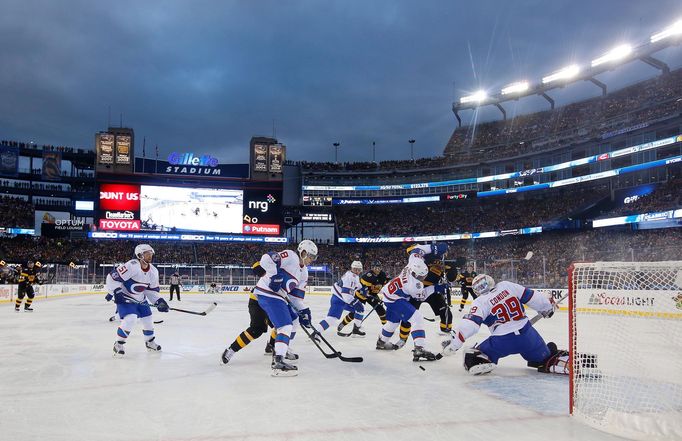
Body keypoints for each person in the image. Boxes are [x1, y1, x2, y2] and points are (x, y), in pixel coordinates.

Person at [442, 274, 568, 375]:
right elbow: (532, 298)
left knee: (471, 356)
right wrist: (546, 305)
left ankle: (481, 362)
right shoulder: (507, 286)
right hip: (528, 335)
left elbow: (471, 324)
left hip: (502, 341)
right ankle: (556, 361)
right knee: (544, 357)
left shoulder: (479, 302)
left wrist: (455, 343)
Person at [244, 240, 317, 376]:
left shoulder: (304, 273)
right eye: (311, 256)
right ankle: (278, 362)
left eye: (314, 258)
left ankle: (285, 348)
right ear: (303, 252)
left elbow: (295, 299)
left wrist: (304, 311)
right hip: (266, 291)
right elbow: (266, 259)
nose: (312, 260)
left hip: (278, 296)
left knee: (294, 320)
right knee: (285, 326)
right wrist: (274, 276)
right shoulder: (290, 256)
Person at [105, 244, 169, 357]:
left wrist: (159, 301)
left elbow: (151, 291)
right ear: (140, 255)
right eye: (147, 253)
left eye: (151, 253)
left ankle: (149, 342)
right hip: (125, 297)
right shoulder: (132, 265)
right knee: (131, 319)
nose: (150, 255)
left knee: (148, 319)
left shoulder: (153, 271)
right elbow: (112, 277)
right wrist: (115, 292)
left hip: (140, 298)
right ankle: (118, 344)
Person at [221, 261, 287, 365]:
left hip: (273, 301)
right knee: (256, 330)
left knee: (281, 325)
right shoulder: (275, 265)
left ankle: (271, 346)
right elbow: (256, 266)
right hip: (258, 300)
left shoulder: (291, 273)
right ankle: (231, 350)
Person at [376, 257, 439, 361]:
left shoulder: (409, 266)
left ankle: (381, 342)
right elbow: (421, 297)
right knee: (417, 318)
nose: (423, 278)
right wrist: (436, 288)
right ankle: (420, 348)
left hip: (388, 295)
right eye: (422, 276)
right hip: (395, 300)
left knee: (393, 322)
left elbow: (414, 255)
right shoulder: (415, 285)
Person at [393, 243, 453, 346]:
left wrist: (453, 270)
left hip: (432, 290)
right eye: (445, 251)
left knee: (446, 311)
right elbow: (411, 250)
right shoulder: (427, 254)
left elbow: (451, 277)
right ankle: (402, 339)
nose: (446, 254)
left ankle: (446, 332)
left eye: (447, 252)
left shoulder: (445, 263)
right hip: (417, 288)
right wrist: (430, 255)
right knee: (408, 315)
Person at [316, 261, 366, 337]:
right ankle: (316, 333)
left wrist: (362, 288)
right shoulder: (351, 277)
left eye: (359, 269)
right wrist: (354, 302)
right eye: (356, 269)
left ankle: (356, 329)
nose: (358, 271)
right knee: (332, 318)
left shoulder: (352, 275)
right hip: (339, 299)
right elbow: (346, 293)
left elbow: (356, 285)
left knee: (360, 309)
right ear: (352, 268)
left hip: (341, 298)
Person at [337, 260, 388, 332]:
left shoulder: (383, 275)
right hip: (361, 295)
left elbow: (385, 285)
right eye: (375, 268)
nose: (377, 270)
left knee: (381, 310)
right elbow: (363, 290)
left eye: (378, 268)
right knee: (355, 312)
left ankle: (386, 328)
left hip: (372, 295)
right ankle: (343, 323)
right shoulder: (367, 276)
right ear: (372, 268)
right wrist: (371, 296)